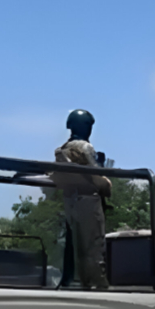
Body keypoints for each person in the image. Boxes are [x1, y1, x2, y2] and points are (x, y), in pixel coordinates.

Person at [52, 109, 111, 290]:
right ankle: (98, 284)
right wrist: (106, 177)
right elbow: (98, 179)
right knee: (94, 246)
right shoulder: (85, 148)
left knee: (77, 246)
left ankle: (81, 281)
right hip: (88, 201)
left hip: (71, 201)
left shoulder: (62, 150)